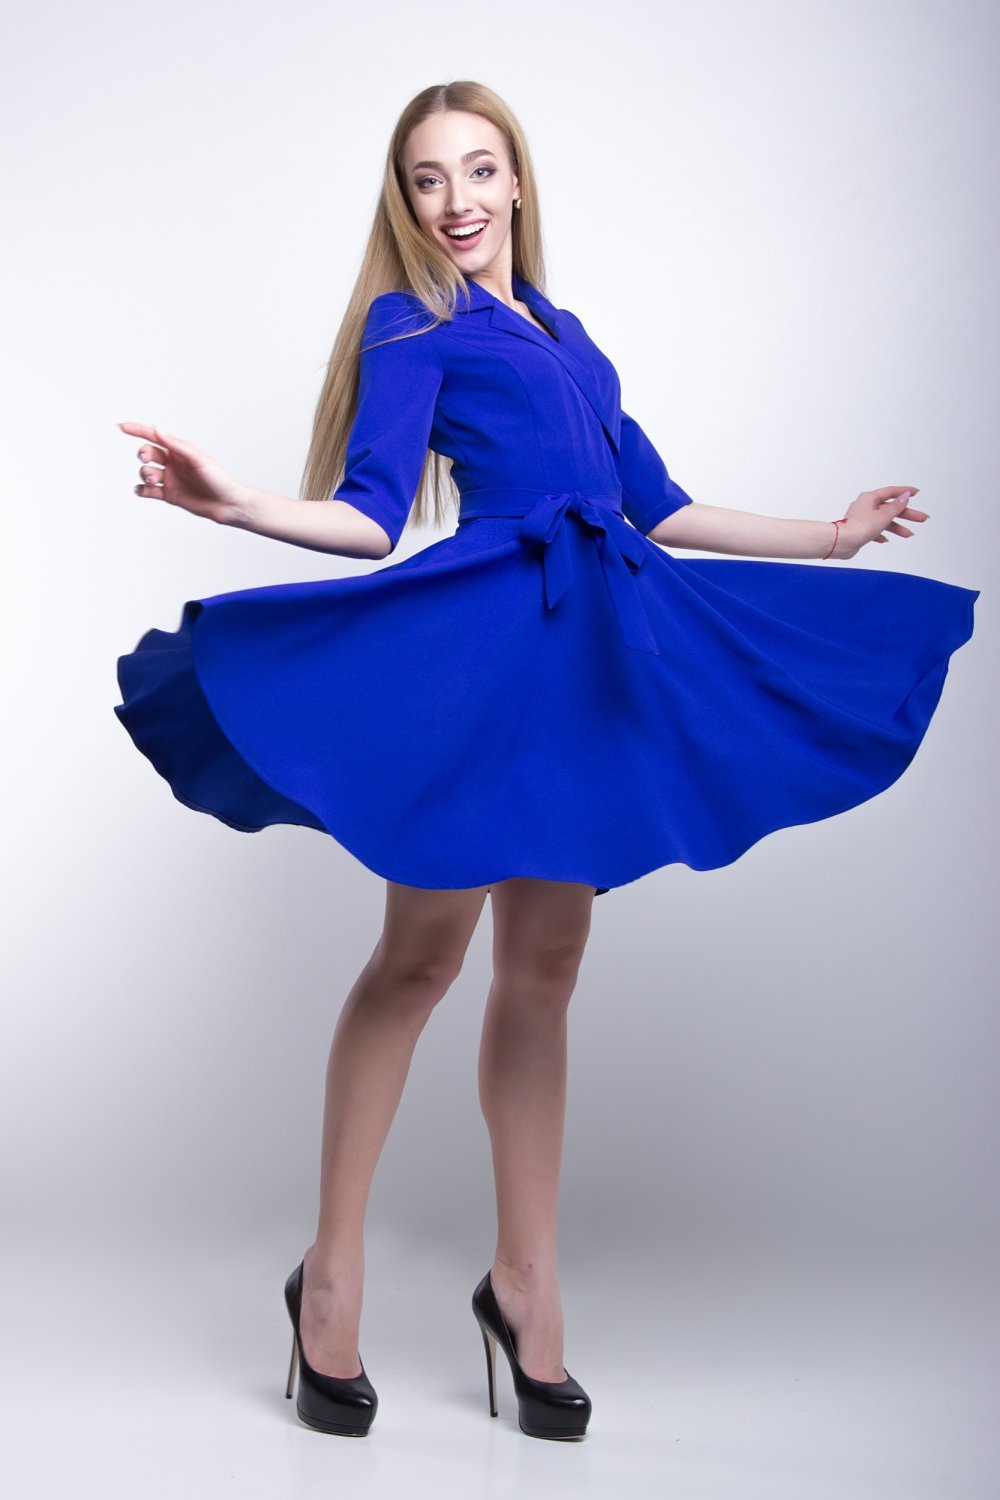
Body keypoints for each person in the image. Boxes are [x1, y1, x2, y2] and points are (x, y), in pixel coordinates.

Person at [113, 81, 979, 1443]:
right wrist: (230, 503)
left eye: (477, 170)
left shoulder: (571, 338)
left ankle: (526, 1286)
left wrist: (832, 534)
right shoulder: (411, 325)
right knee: (420, 961)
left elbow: (659, 504)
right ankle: (329, 1276)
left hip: (589, 657)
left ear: (517, 180)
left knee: (547, 968)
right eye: (426, 178)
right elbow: (369, 516)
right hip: (484, 658)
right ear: (405, 201)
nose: (455, 200)